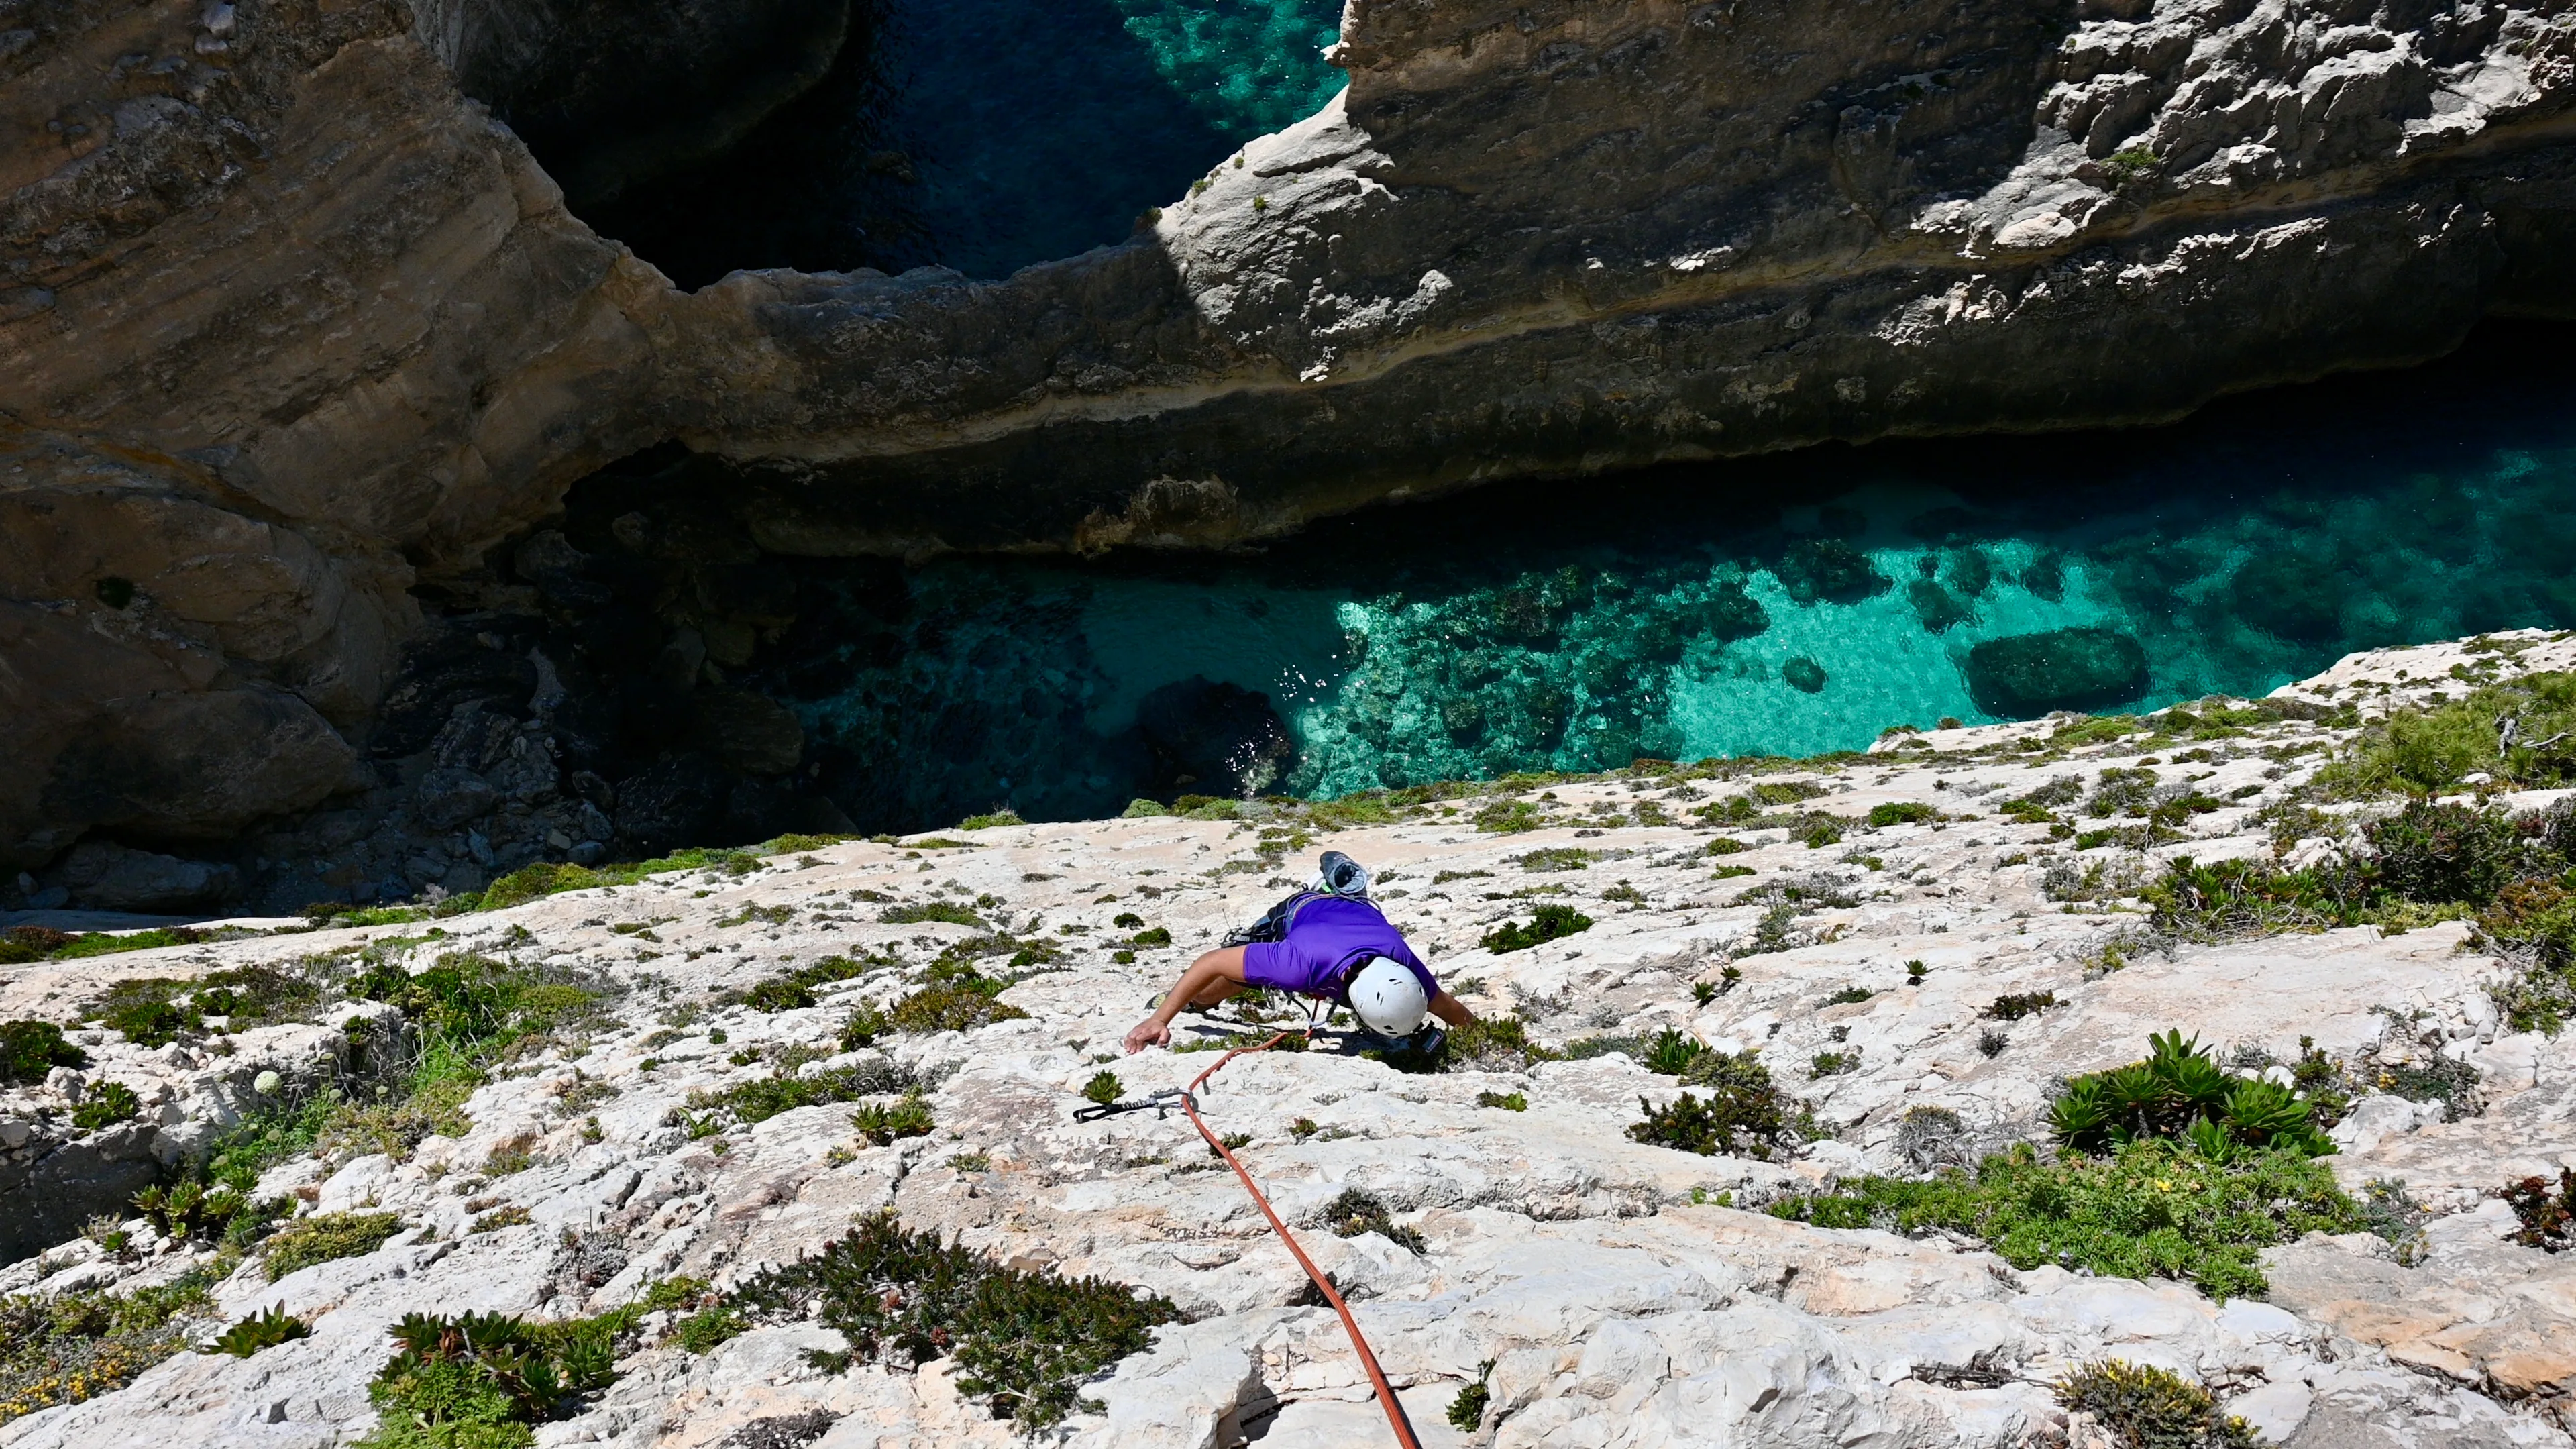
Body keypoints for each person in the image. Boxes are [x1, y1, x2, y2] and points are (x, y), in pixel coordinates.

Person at [1123, 851, 1474, 1054]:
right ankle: (1198, 1003)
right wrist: (1161, 1019)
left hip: (1350, 916)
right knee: (1241, 974)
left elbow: (1444, 1005)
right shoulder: (1296, 966)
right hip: (1297, 913)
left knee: (1254, 969)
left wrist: (1486, 1034)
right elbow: (1212, 962)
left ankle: (1337, 883)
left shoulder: (1402, 966)